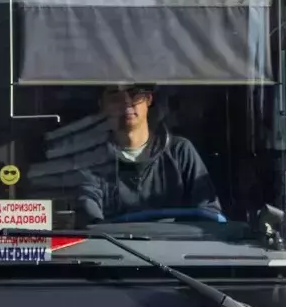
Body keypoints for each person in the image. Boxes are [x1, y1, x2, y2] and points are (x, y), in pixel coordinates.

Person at [75, 83, 220, 225]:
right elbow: (89, 218)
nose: (126, 102)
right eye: (114, 94)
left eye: (134, 93)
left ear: (148, 99)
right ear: (102, 105)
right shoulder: (93, 160)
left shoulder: (180, 151)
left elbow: (208, 214)